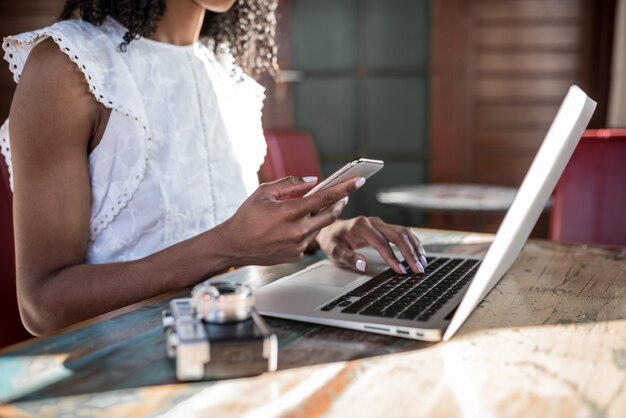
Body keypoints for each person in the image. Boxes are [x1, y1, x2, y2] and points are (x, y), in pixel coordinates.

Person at [1, 0, 427, 336]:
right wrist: (226, 246)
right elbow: (42, 306)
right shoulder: (68, 66)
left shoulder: (226, 73)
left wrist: (326, 232)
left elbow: (248, 229)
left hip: (244, 341)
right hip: (123, 372)